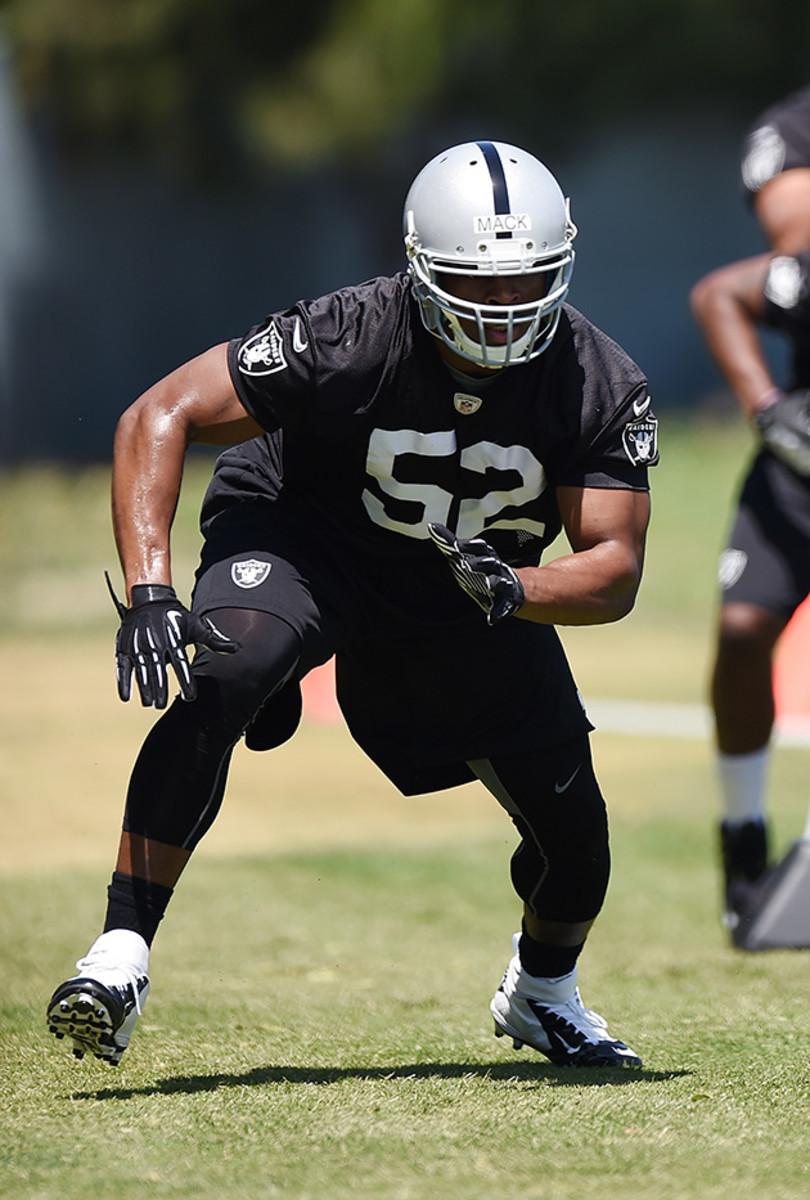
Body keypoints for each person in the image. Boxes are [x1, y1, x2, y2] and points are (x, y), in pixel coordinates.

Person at [46, 140, 657, 1068]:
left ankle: (543, 994)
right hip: (312, 537)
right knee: (233, 666)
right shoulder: (351, 330)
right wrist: (149, 589)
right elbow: (159, 414)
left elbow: (614, 566)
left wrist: (516, 586)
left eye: (525, 282)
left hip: (464, 587)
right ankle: (119, 952)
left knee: (577, 843)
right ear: (420, 272)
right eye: (474, 285)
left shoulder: (595, 381)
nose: (502, 310)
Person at [690, 86, 810, 939]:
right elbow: (723, 293)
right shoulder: (791, 127)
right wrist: (770, 409)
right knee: (740, 631)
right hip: (801, 466)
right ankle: (743, 841)